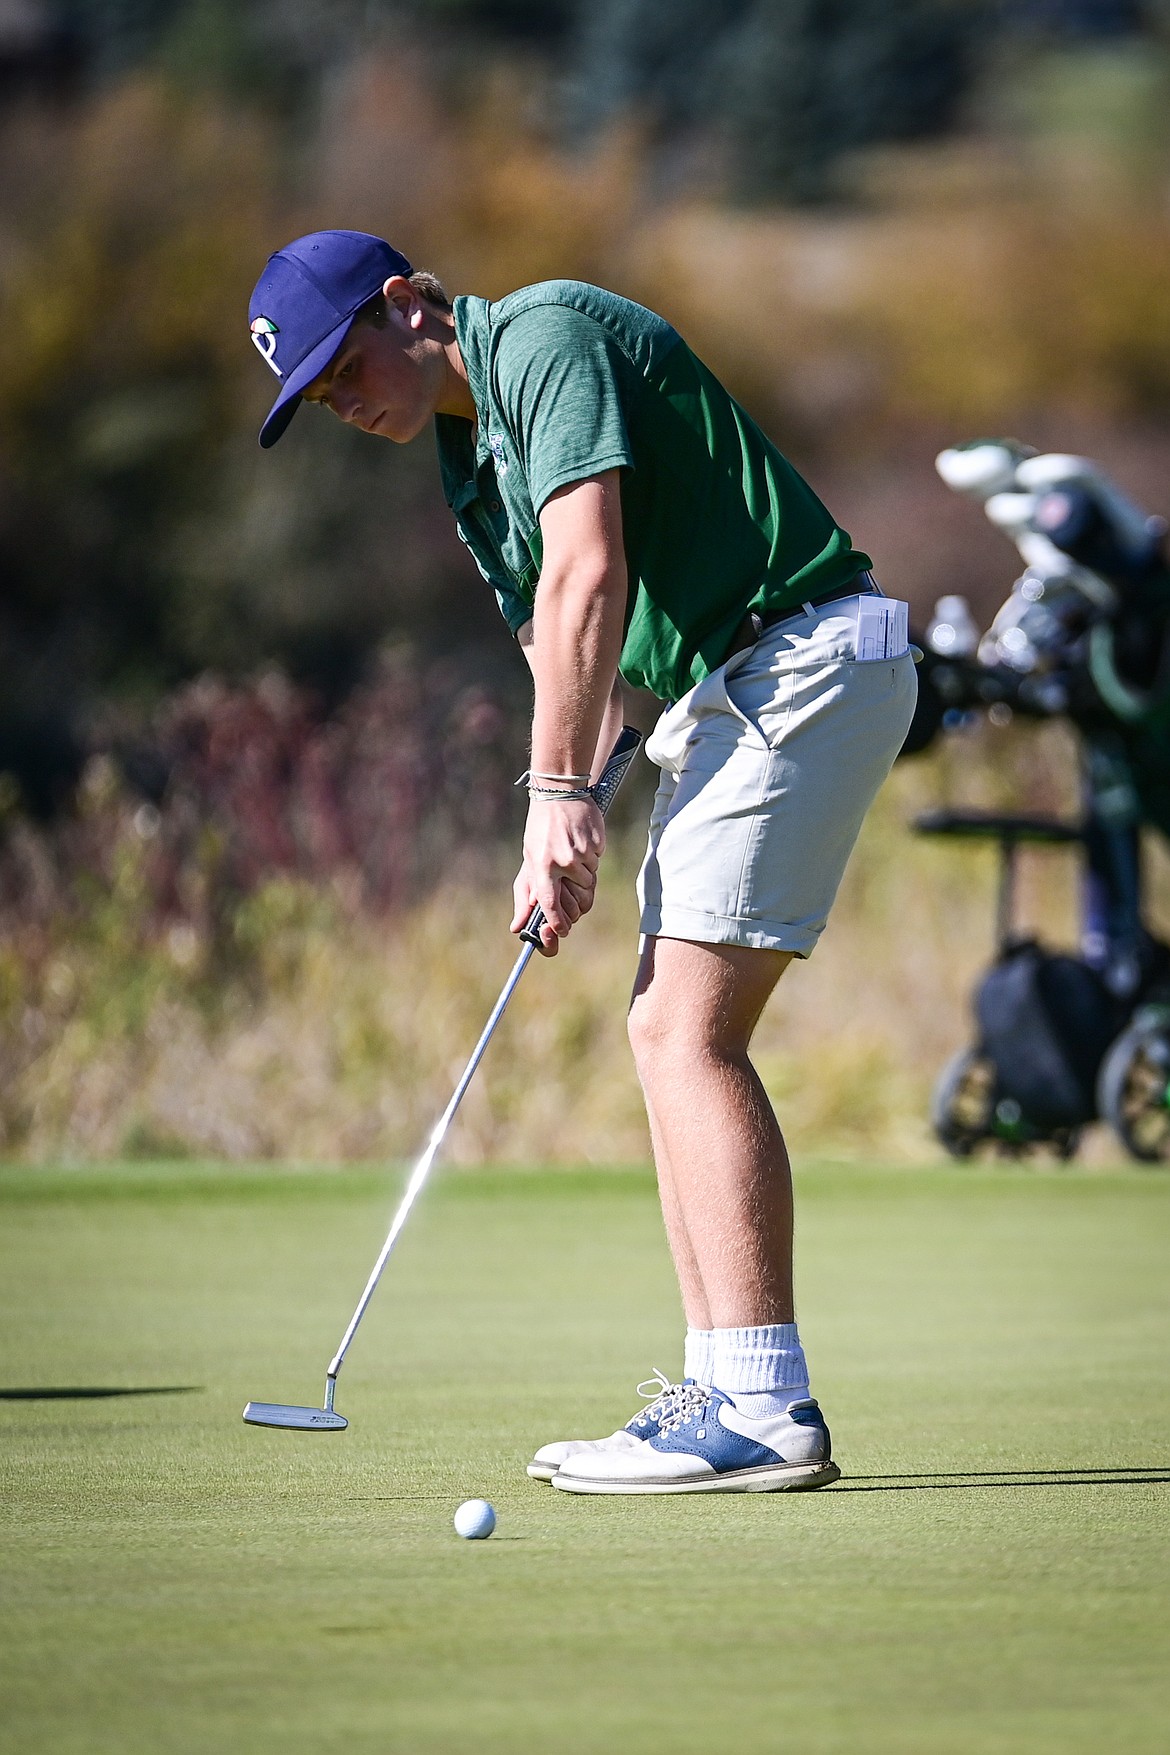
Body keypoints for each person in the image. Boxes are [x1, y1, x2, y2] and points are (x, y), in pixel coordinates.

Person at [248, 229, 917, 1495]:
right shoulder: (467, 457)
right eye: (318, 399)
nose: (341, 404)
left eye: (341, 369)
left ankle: (762, 1407)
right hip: (730, 689)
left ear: (404, 305)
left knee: (685, 1033)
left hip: (800, 653)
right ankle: (721, 1385)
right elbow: (576, 662)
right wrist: (562, 822)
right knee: (661, 1027)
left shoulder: (544, 336)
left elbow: (589, 572)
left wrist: (555, 792)